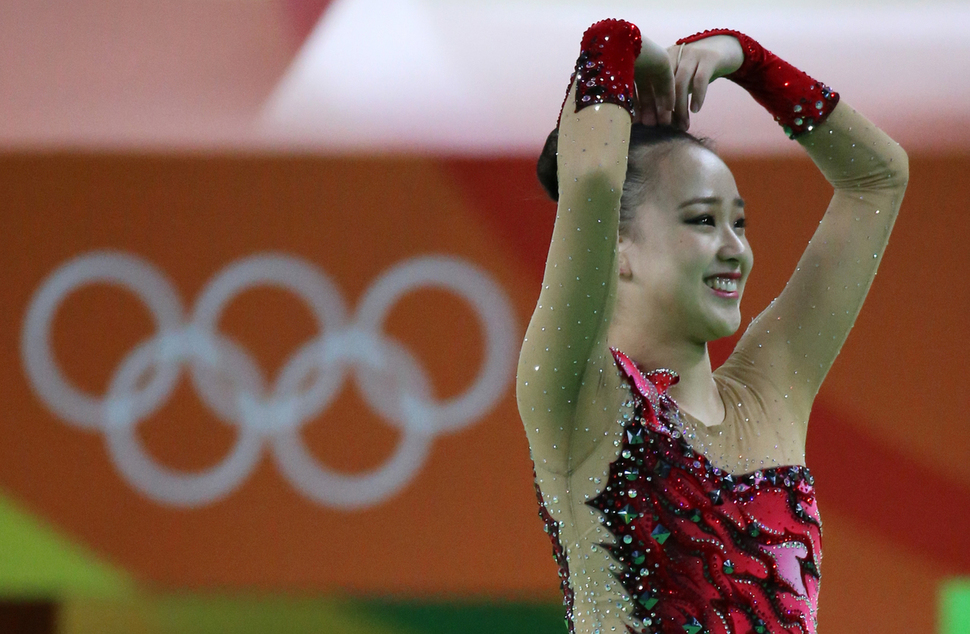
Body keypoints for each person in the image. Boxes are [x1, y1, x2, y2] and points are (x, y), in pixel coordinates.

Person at [517, 20, 908, 634]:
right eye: (703, 221)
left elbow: (878, 177)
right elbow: (591, 178)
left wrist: (748, 60)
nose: (736, 250)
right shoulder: (582, 402)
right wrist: (629, 46)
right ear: (616, 245)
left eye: (739, 223)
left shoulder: (769, 392)